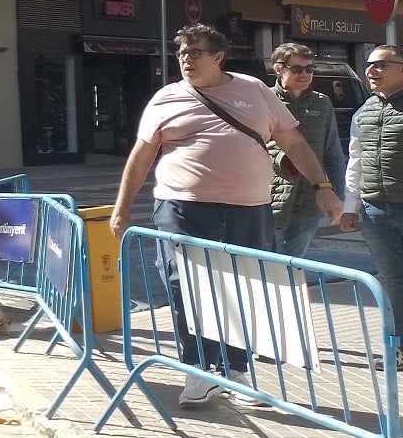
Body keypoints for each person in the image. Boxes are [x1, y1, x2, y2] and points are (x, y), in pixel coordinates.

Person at [110, 25, 340, 408]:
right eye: (182, 53)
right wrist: (121, 210)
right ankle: (198, 370)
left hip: (248, 208)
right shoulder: (166, 98)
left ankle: (234, 371)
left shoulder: (254, 90)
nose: (186, 59)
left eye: (195, 52)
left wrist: (323, 188)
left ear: (218, 57)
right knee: (185, 285)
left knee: (244, 288)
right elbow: (142, 155)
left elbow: (293, 141)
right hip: (181, 206)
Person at [268, 43, 347, 259]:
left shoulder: (322, 103)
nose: (305, 74)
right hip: (270, 198)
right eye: (297, 69)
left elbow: (332, 153)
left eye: (309, 69)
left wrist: (338, 195)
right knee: (266, 264)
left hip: (309, 202)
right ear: (279, 68)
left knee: (293, 265)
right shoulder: (264, 100)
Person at [345, 44, 403, 320]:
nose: (370, 70)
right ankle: (399, 345)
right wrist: (350, 205)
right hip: (375, 210)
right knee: (392, 280)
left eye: (380, 64)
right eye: (369, 64)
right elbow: (355, 160)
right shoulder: (364, 111)